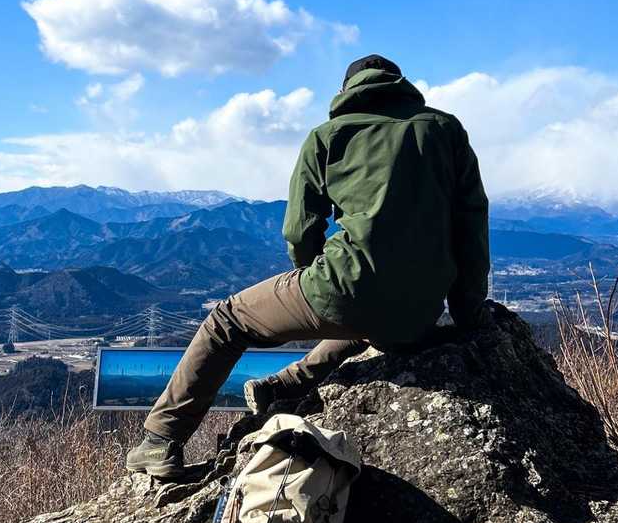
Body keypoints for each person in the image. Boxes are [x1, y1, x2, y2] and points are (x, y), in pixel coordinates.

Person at [126, 55, 490, 479]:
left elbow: (299, 230)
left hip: (344, 285)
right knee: (367, 323)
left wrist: (312, 276)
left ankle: (160, 440)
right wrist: (468, 314)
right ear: (400, 83)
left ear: (346, 91)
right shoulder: (445, 129)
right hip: (419, 310)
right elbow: (471, 224)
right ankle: (281, 387)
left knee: (226, 322)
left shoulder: (327, 136)